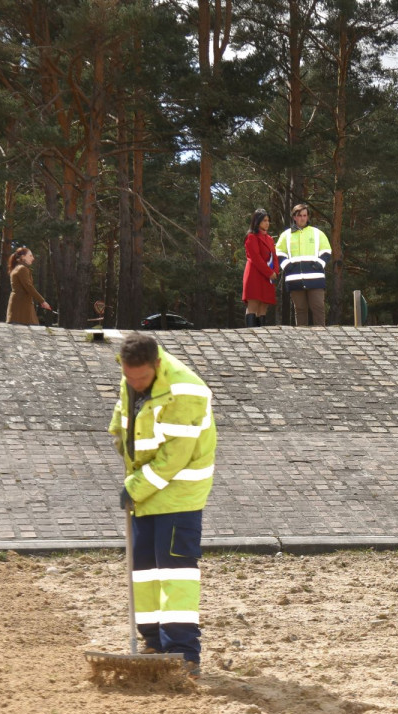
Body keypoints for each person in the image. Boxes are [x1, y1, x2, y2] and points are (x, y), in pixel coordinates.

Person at [109, 332, 217, 677]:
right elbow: (124, 422)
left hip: (179, 495)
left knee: (175, 574)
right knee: (144, 573)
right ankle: (153, 642)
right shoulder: (131, 378)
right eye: (129, 377)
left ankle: (184, 654)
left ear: (157, 364)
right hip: (146, 493)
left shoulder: (187, 390)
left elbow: (175, 457)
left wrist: (135, 487)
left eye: (141, 378)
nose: (135, 384)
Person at [275, 203, 331, 326]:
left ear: (308, 217)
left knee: (318, 308)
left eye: (305, 215)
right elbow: (278, 252)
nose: (302, 218)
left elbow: (327, 251)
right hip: (294, 279)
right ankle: (302, 341)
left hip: (315, 278)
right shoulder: (286, 235)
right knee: (300, 310)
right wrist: (287, 266)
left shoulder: (317, 233)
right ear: (294, 217)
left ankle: (322, 337)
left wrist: (319, 264)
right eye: (299, 215)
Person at [242, 208, 278, 327]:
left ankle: (262, 334)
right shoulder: (251, 237)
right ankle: (251, 333)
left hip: (268, 276)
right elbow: (256, 258)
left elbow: (274, 257)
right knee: (253, 304)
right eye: (264, 220)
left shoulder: (269, 239)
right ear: (257, 222)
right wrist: (269, 272)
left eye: (268, 220)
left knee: (263, 305)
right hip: (254, 275)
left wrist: (275, 272)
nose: (267, 223)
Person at [5, 247, 51, 325]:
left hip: (21, 308)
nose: (33, 258)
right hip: (21, 310)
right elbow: (29, 287)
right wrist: (42, 301)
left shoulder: (18, 268)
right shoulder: (22, 269)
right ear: (23, 257)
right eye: (30, 256)